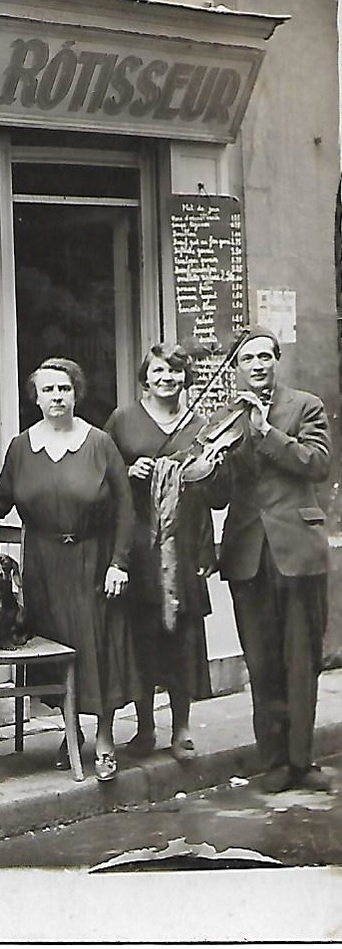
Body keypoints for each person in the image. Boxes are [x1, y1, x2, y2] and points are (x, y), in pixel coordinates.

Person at [0, 357, 138, 782]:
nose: (57, 397)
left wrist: (118, 564)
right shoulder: (21, 447)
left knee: (97, 649)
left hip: (92, 561)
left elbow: (126, 510)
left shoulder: (99, 444)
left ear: (76, 394)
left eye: (65, 389)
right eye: (48, 390)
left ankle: (104, 738)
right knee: (56, 649)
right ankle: (70, 735)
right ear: (35, 397)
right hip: (42, 566)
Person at [206, 326, 332, 792]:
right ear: (236, 368)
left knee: (302, 660)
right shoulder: (223, 418)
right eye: (247, 359)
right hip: (247, 555)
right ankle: (275, 760)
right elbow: (219, 497)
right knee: (261, 662)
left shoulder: (305, 406)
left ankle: (304, 760)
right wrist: (207, 468)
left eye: (265, 356)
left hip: (298, 551)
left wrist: (267, 433)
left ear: (276, 360)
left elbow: (317, 465)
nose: (258, 365)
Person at [105, 343, 216, 761]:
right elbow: (104, 475)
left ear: (184, 378)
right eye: (158, 371)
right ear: (145, 377)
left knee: (182, 634)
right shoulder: (123, 420)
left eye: (174, 371)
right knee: (142, 634)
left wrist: (201, 472)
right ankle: (146, 727)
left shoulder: (199, 424)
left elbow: (212, 494)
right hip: (139, 541)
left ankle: (182, 728)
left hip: (182, 542)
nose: (167, 378)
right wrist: (130, 472)